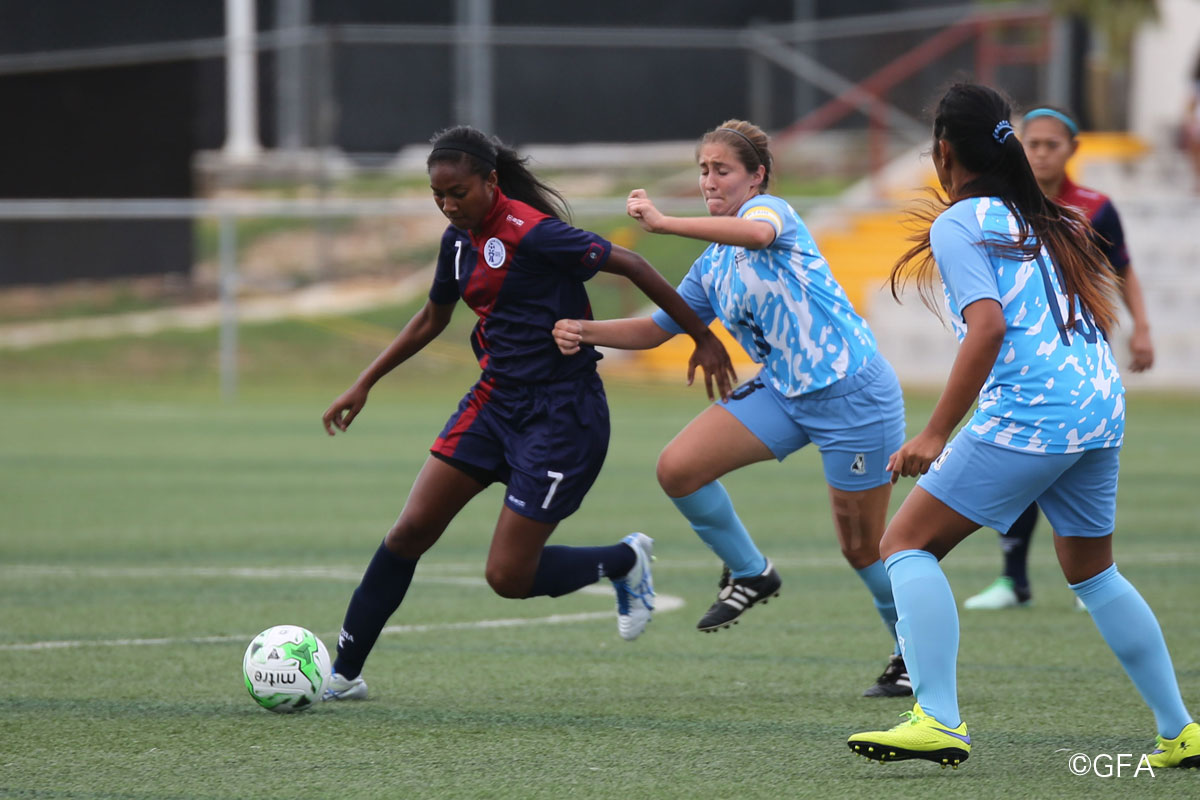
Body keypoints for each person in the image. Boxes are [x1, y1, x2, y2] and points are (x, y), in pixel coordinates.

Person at [846, 82, 1198, 769]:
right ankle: (1180, 730)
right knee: (1093, 572)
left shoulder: (961, 221)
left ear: (943, 152)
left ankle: (936, 718)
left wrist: (934, 434)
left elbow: (987, 329)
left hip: (1037, 411)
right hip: (1098, 402)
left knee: (905, 544)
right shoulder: (1049, 216)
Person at [319, 125, 737, 701]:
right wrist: (364, 382)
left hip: (561, 417)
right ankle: (344, 674)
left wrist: (702, 337)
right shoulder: (458, 241)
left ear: (491, 182)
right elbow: (432, 318)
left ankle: (623, 560)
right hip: (493, 403)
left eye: (458, 193)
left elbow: (635, 266)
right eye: (438, 196)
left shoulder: (534, 232)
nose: (448, 206)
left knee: (507, 576)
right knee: (409, 531)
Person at [553, 120, 911, 698]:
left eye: (722, 170)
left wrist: (665, 222)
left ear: (756, 177)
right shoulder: (712, 263)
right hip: (784, 393)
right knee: (679, 468)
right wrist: (581, 330)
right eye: (703, 170)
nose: (709, 181)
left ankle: (911, 655)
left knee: (862, 547)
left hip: (852, 397)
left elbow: (759, 235)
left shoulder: (773, 215)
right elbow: (656, 329)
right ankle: (751, 572)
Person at [963, 104, 1155, 611]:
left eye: (1052, 144)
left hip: (1081, 354)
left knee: (1075, 463)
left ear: (1073, 149)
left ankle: (1091, 578)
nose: (1042, 153)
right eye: (1033, 144)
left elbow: (1122, 269)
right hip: (1024, 354)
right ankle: (1013, 579)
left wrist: (1142, 329)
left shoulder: (1095, 207)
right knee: (1021, 463)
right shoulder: (1004, 207)